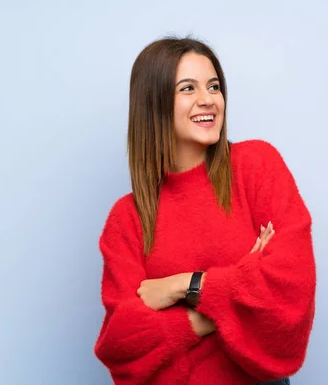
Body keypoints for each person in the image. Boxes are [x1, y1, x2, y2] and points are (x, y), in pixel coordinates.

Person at [94, 36, 316, 385]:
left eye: (214, 86)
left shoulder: (256, 167)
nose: (207, 100)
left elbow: (289, 298)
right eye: (188, 88)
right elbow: (121, 346)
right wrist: (234, 292)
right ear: (155, 103)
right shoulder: (127, 218)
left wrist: (181, 286)